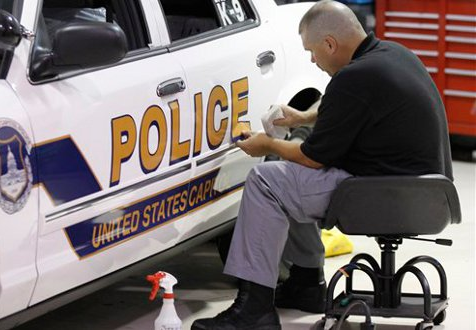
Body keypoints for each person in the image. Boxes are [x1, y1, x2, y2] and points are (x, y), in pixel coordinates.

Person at [191, 0, 453, 329]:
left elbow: (312, 158)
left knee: (267, 179)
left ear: (330, 43)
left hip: (384, 195)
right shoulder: (390, 54)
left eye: (312, 52)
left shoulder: (354, 78)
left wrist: (268, 144)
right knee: (287, 175)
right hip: (426, 194)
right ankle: (305, 285)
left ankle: (254, 310)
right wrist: (303, 117)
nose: (313, 60)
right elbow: (350, 104)